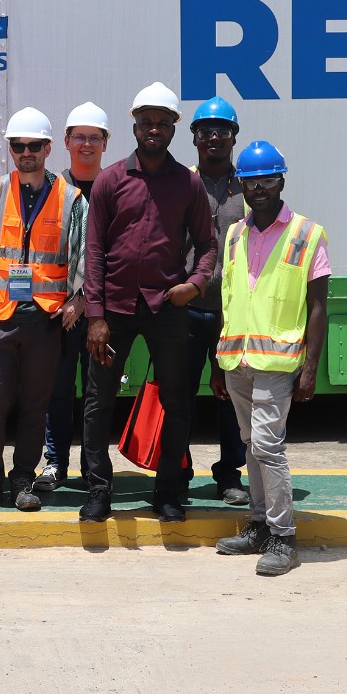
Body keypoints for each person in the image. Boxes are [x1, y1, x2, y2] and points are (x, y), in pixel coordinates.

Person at [79, 83, 216, 523]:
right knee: (99, 403)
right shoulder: (111, 180)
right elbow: (94, 250)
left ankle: (168, 492)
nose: (153, 128)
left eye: (162, 121)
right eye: (146, 121)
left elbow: (208, 245)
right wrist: (96, 316)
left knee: (177, 401)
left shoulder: (188, 184)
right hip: (114, 311)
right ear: (134, 125)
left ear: (173, 127)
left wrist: (193, 286)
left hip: (167, 309)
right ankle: (98, 491)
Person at [0, 108, 87, 511]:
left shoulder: (71, 198)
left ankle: (22, 480)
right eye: (18, 145)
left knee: (35, 404)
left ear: (49, 148)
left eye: (34, 145)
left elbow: (86, 256)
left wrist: (78, 300)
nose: (26, 152)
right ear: (10, 149)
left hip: (45, 321)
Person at [212, 141, 329, 576]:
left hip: (279, 363)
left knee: (267, 446)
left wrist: (311, 367)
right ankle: (259, 526)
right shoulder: (234, 234)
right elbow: (228, 298)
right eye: (251, 181)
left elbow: (318, 307)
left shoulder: (307, 233)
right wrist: (218, 360)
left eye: (268, 180)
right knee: (250, 446)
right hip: (237, 359)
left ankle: (283, 537)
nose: (259, 188)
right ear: (240, 184)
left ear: (281, 181)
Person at [35, 101, 110, 492]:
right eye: (79, 137)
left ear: (105, 143)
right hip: (57, 311)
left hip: (101, 313)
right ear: (65, 142)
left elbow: (115, 254)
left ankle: (94, 468)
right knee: (57, 391)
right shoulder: (53, 190)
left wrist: (86, 300)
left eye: (93, 138)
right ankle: (55, 463)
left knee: (98, 393)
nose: (86, 144)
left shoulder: (114, 187)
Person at [183, 96, 250, 505]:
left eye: (221, 131)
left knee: (232, 398)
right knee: (180, 393)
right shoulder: (181, 183)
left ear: (233, 137)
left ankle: (230, 475)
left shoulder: (248, 186)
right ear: (194, 138)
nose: (213, 137)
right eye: (205, 131)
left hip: (233, 311)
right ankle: (178, 469)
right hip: (187, 309)